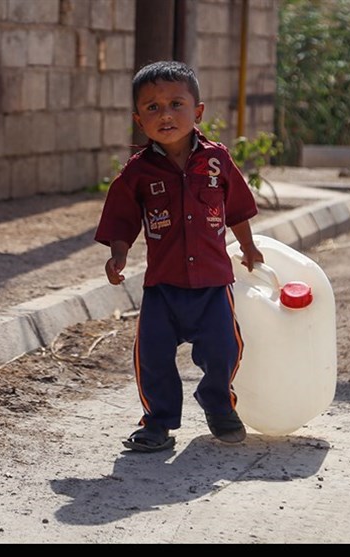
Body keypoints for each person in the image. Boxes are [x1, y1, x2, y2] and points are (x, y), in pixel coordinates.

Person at [95, 60, 264, 453]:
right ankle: (157, 422)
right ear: (139, 120)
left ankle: (219, 405)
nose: (165, 115)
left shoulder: (217, 161)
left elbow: (237, 207)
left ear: (198, 111)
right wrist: (118, 255)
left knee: (226, 349)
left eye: (176, 104)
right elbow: (121, 220)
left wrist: (249, 245)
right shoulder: (137, 173)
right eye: (152, 108)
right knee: (152, 356)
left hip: (212, 286)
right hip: (162, 288)